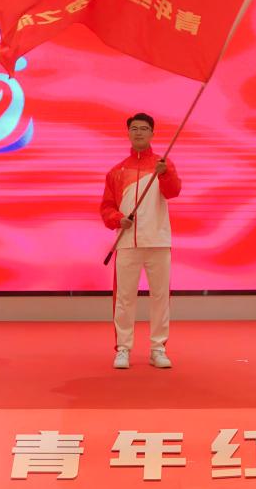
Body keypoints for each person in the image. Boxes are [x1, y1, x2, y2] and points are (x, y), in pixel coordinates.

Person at [100, 113, 182, 369]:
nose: (138, 132)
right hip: (127, 244)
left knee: (160, 297)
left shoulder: (162, 164)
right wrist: (118, 219)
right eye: (134, 128)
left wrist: (165, 174)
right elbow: (106, 208)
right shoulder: (116, 171)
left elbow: (174, 191)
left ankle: (158, 349)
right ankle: (123, 349)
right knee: (124, 298)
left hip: (158, 240)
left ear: (152, 133)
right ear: (128, 133)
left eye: (144, 129)